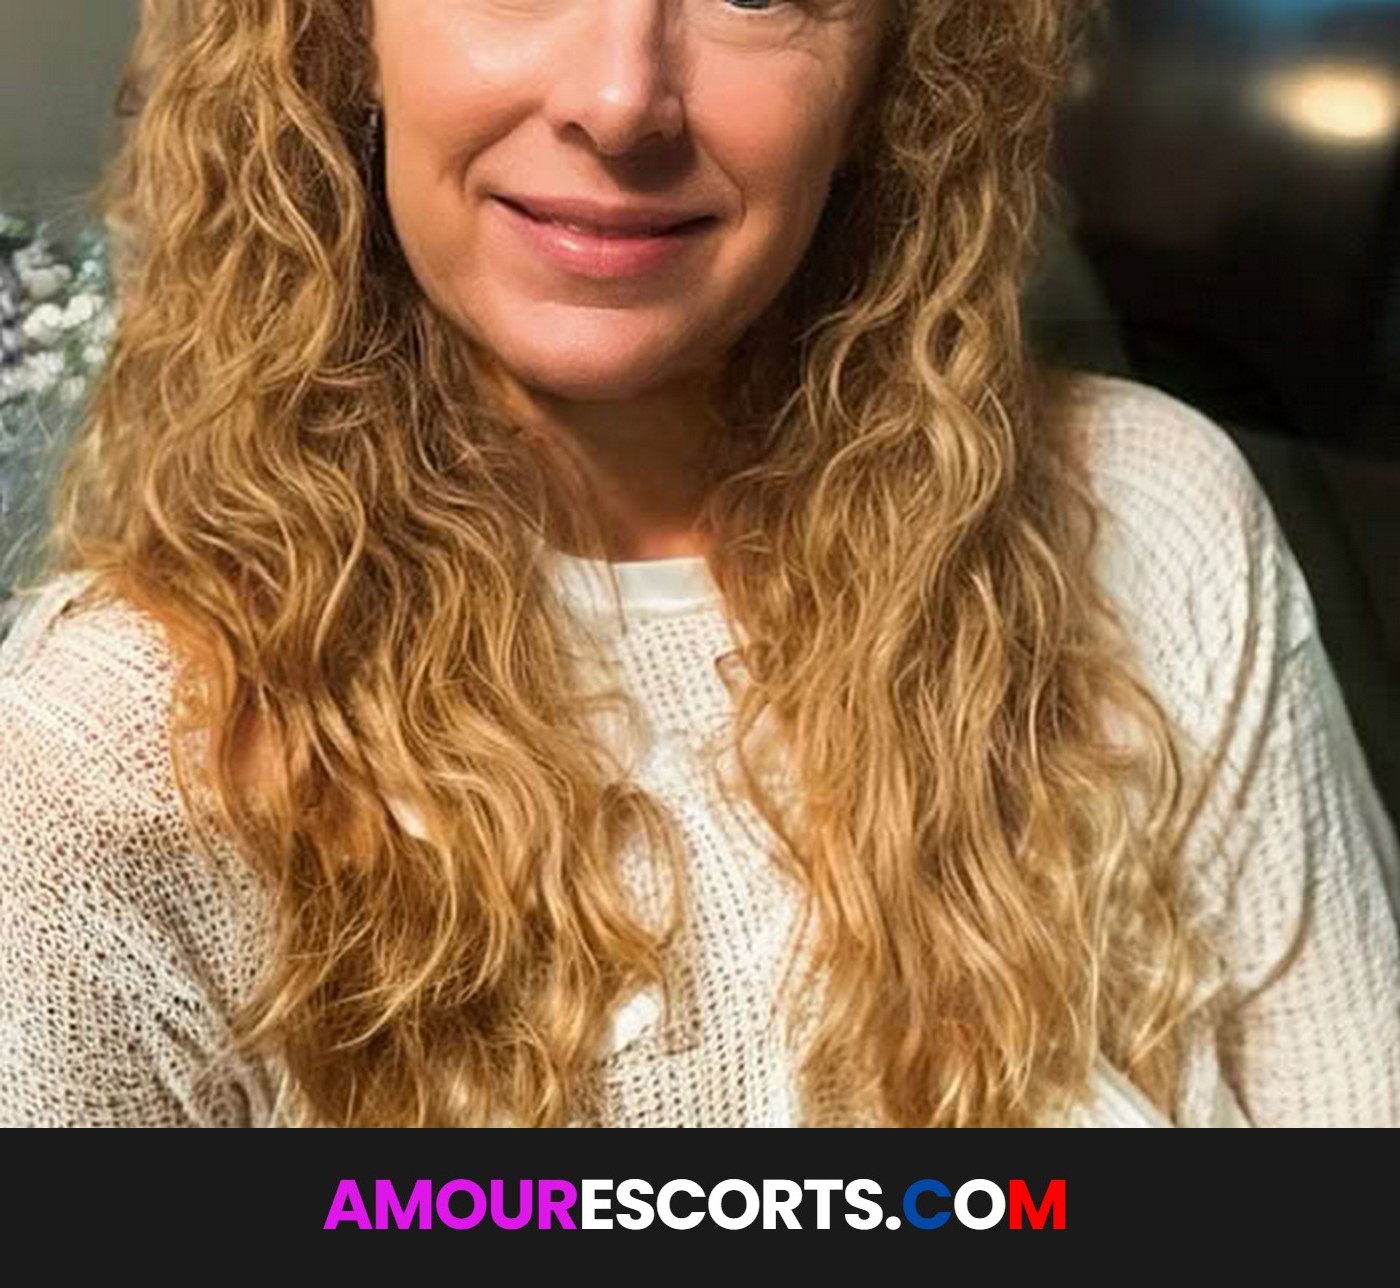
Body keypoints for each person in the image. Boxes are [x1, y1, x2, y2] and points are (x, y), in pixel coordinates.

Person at [0, 0, 1397, 1130]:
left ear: (891, 74)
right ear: (339, 33)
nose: (622, 101)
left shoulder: (1151, 516)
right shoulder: (113, 759)